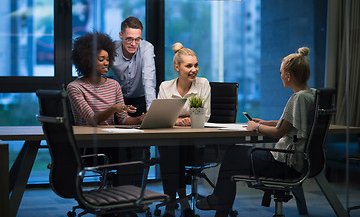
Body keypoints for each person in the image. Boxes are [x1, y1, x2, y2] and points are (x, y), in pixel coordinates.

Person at [196, 47, 316, 217]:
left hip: (284, 164)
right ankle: (219, 205)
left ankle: (218, 202)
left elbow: (278, 133)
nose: (280, 75)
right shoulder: (311, 95)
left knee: (231, 155)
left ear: (288, 75)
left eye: (281, 72)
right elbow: (292, 124)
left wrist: (256, 127)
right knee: (234, 157)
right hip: (299, 162)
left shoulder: (297, 98)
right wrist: (267, 122)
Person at [67, 31, 146, 187]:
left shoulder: (114, 85)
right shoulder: (75, 88)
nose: (106, 63)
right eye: (101, 59)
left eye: (108, 59)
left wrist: (139, 119)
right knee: (128, 154)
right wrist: (114, 108)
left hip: (113, 140)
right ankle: (120, 199)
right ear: (88, 61)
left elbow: (123, 120)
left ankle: (129, 200)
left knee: (137, 150)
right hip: (92, 145)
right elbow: (93, 119)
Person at [158, 42, 211, 217]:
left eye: (196, 65)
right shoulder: (165, 87)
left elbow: (205, 115)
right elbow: (162, 116)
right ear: (177, 67)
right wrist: (183, 120)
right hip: (172, 142)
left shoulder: (203, 84)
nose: (194, 69)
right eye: (189, 66)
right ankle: (181, 202)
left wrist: (178, 119)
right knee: (170, 149)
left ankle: (171, 203)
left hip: (196, 143)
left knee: (172, 151)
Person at [112, 16, 156, 116]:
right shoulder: (112, 48)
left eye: (137, 39)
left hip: (141, 101)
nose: (133, 44)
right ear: (121, 35)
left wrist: (152, 112)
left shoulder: (147, 48)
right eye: (129, 39)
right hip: (117, 101)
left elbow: (149, 79)